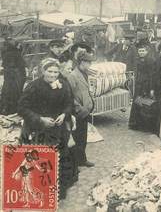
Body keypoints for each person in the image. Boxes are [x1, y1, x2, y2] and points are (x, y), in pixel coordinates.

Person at [18, 58, 78, 200]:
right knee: (42, 161)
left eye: (56, 72)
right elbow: (22, 107)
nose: (52, 75)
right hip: (39, 130)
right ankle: (40, 192)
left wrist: (64, 114)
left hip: (58, 129)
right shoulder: (33, 86)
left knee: (60, 159)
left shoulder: (63, 84)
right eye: (49, 71)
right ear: (43, 71)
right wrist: (40, 119)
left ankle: (57, 193)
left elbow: (69, 103)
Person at [66, 51, 95, 168]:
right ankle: (76, 161)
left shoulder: (84, 73)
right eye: (89, 63)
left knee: (83, 137)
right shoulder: (73, 76)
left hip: (85, 111)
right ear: (82, 62)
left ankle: (81, 159)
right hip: (78, 112)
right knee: (77, 137)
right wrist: (79, 108)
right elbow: (69, 96)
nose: (90, 65)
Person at [128, 45, 156, 132]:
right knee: (137, 103)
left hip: (147, 84)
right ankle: (135, 124)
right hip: (139, 84)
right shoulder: (137, 60)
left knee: (145, 104)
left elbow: (152, 75)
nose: (141, 53)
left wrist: (151, 88)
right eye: (140, 51)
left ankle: (145, 126)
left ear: (147, 51)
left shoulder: (151, 61)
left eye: (143, 51)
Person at [0, 37, 26, 115]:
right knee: (15, 92)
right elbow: (20, 66)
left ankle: (5, 108)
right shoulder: (15, 53)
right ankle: (12, 109)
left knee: (7, 91)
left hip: (9, 76)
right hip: (15, 76)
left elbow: (6, 65)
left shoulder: (5, 52)